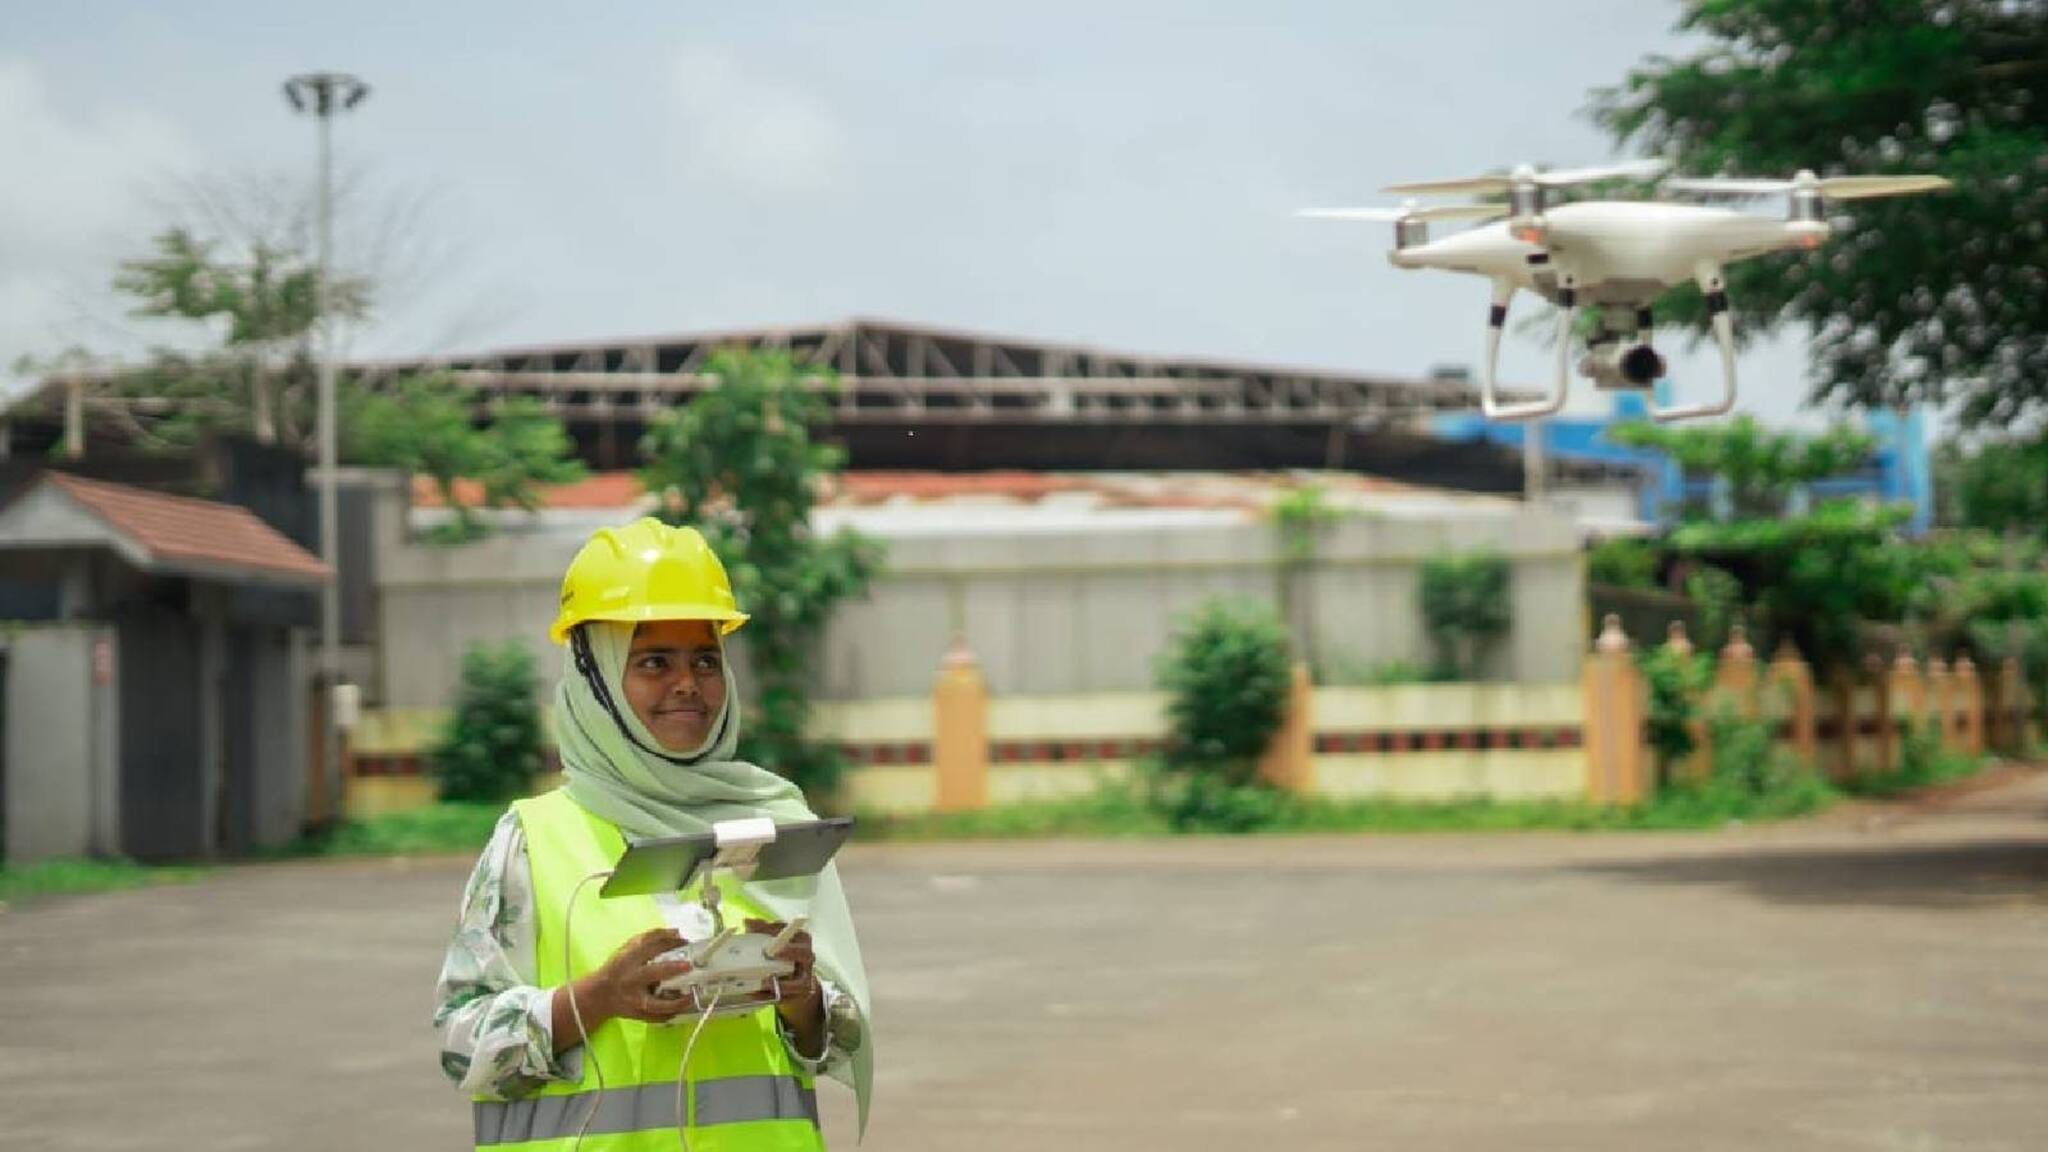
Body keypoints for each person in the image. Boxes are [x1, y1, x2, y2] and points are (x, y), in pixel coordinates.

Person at [433, 518, 873, 1150]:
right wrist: (596, 998)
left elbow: (829, 1041)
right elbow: (461, 1043)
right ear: (597, 679)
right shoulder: (534, 839)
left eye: (705, 659)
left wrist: (802, 1001)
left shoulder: (768, 822)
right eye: (653, 662)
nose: (687, 682)